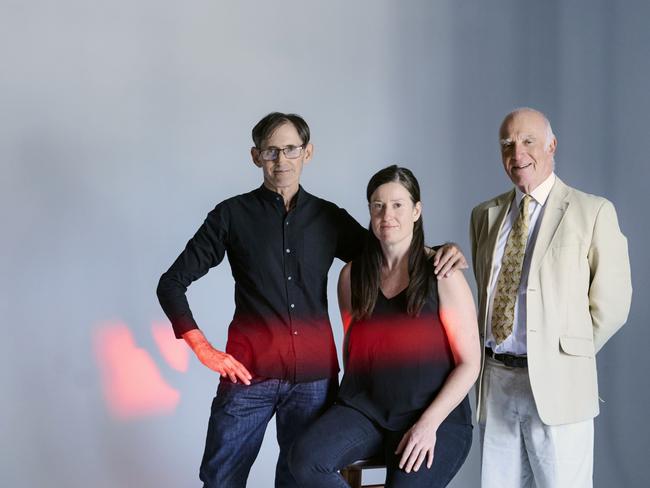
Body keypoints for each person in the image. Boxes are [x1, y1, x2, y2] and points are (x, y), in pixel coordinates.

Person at [156, 113, 468, 488]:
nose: (281, 160)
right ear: (256, 156)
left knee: (300, 481)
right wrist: (204, 349)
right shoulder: (231, 216)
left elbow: (388, 245)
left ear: (308, 153)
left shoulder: (328, 218)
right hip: (249, 373)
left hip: (314, 382)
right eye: (271, 151)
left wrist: (440, 251)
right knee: (221, 479)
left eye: (291, 149)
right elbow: (171, 283)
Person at [470, 108, 633, 487]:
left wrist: (561, 356)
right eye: (507, 144)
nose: (517, 153)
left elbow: (613, 303)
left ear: (551, 145)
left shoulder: (592, 212)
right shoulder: (485, 215)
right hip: (494, 382)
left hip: (558, 383)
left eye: (528, 141)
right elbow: (485, 294)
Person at [289, 165, 481, 488]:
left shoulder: (443, 273)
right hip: (368, 412)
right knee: (305, 461)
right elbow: (355, 351)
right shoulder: (351, 277)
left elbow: (470, 363)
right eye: (378, 205)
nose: (386, 214)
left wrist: (427, 425)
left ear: (416, 211)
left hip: (433, 415)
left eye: (397, 205)